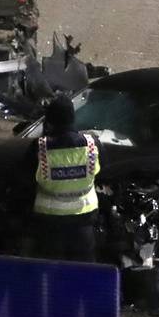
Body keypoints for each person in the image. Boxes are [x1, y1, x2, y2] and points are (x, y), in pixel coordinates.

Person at [30, 93, 100, 261]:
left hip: (50, 225)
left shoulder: (40, 147)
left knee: (51, 277)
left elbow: (23, 177)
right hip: (84, 222)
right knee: (83, 274)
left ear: (50, 120)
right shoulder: (92, 144)